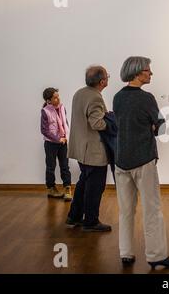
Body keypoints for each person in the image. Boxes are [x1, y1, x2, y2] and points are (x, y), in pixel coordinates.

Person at [113, 56, 169, 268]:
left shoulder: (117, 97)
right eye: (148, 70)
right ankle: (156, 255)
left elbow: (122, 125)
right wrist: (151, 128)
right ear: (137, 72)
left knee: (125, 211)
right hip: (143, 159)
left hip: (121, 160)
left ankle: (126, 252)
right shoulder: (146, 98)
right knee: (152, 209)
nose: (151, 74)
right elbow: (162, 129)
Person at [65, 66, 112, 232]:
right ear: (102, 81)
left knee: (83, 183)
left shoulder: (80, 93)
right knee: (95, 187)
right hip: (93, 151)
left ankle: (74, 216)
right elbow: (97, 124)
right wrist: (113, 121)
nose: (108, 78)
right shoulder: (95, 98)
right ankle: (91, 221)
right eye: (107, 76)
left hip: (80, 148)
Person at [40, 87, 72, 200]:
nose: (58, 99)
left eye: (58, 96)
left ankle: (67, 188)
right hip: (51, 144)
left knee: (65, 166)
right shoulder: (45, 111)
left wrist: (66, 137)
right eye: (55, 97)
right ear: (48, 100)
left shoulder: (62, 108)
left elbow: (65, 123)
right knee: (50, 167)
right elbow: (44, 130)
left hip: (63, 142)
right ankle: (51, 188)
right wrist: (58, 138)